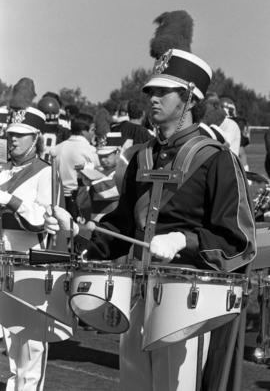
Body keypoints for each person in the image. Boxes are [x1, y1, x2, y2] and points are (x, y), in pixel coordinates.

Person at [44, 49, 256, 391]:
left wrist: (183, 241)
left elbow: (238, 241)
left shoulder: (217, 161)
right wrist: (80, 235)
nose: (152, 98)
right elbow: (122, 226)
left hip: (188, 302)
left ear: (188, 98)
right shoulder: (141, 158)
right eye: (150, 92)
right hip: (135, 296)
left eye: (162, 92)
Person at [0, 106, 54, 391]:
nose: (13, 141)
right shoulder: (3, 169)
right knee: (9, 344)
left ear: (36, 138)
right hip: (1, 260)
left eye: (21, 136)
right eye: (10, 135)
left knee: (29, 346)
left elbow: (43, 220)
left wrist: (10, 200)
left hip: (28, 263)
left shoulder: (45, 173)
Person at [53, 116, 99, 221]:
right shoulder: (89, 149)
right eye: (92, 130)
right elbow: (98, 170)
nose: (94, 134)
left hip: (57, 198)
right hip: (79, 200)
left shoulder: (59, 147)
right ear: (83, 131)